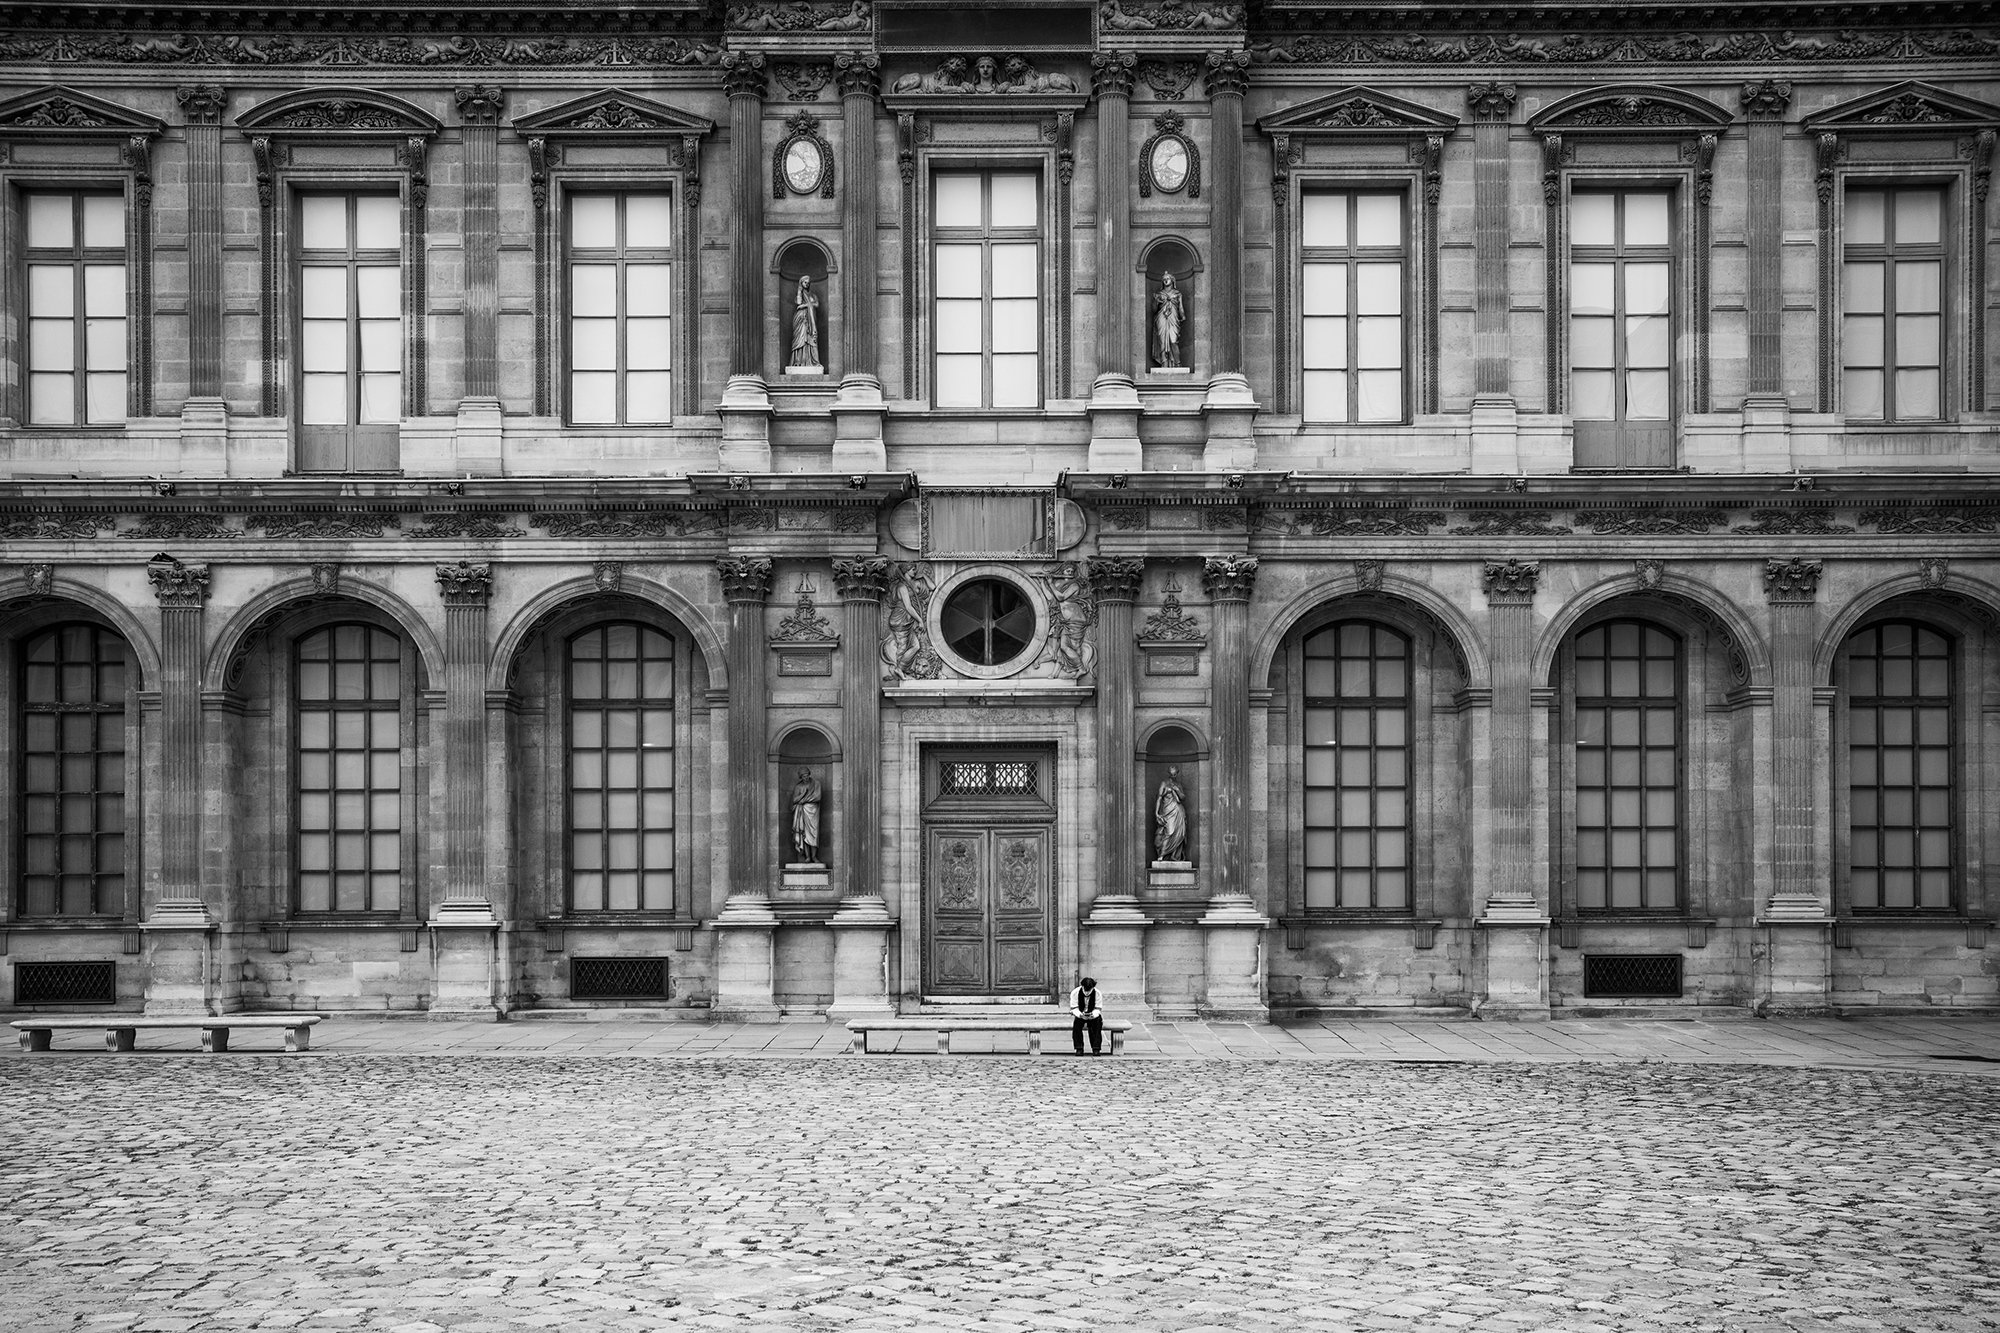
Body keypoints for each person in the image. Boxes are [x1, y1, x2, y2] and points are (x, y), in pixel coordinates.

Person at [1154, 766, 1187, 862]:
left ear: (1177, 773)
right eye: (1171, 774)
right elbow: (1159, 798)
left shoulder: (1178, 784)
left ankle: (1175, 856)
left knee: (1180, 833)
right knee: (1169, 832)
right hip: (1167, 810)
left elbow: (1183, 797)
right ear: (1169, 773)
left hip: (1178, 810)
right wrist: (1156, 812)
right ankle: (1162, 854)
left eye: (1175, 774)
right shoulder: (1164, 783)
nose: (1173, 776)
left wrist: (1177, 790)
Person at [789, 767, 822, 862]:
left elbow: (818, 797)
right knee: (804, 834)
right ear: (801, 777)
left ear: (809, 774)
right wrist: (802, 795)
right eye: (803, 776)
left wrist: (804, 800)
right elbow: (794, 800)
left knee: (814, 833)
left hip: (813, 811)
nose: (806, 777)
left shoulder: (816, 784)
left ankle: (814, 856)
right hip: (803, 811)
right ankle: (808, 856)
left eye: (807, 775)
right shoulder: (798, 787)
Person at [789, 274, 820, 368]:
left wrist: (805, 305)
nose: (806, 284)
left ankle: (811, 361)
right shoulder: (800, 294)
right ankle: (798, 361)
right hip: (801, 318)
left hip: (810, 319)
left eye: (808, 283)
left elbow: (817, 304)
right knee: (800, 338)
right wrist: (799, 291)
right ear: (801, 283)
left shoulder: (812, 295)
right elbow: (798, 302)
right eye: (804, 282)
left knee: (810, 339)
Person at [1154, 272, 1184, 369]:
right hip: (1161, 316)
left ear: (1172, 280)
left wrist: (1182, 316)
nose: (1166, 280)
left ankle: (1177, 363)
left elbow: (1181, 307)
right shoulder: (1158, 294)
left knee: (1173, 340)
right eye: (1164, 279)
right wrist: (1156, 301)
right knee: (1162, 339)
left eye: (1168, 278)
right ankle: (1164, 363)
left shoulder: (1177, 293)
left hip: (1173, 317)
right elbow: (1154, 309)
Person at [1069, 976, 1104, 1055]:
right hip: (1080, 1014)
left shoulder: (1097, 993)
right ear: (1082, 986)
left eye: (1089, 990)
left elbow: (1098, 1008)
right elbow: (1074, 1007)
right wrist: (1080, 1015)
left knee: (1097, 1026)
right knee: (1077, 1027)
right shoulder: (1075, 993)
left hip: (1093, 1014)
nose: (1087, 992)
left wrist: (1093, 1015)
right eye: (1086, 990)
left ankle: (1096, 1048)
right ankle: (1079, 1048)